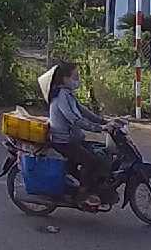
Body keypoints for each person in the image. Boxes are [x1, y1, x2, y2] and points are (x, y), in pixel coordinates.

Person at [44, 61, 111, 209]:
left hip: (72, 139)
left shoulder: (68, 94)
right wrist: (99, 128)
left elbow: (83, 111)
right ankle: (82, 194)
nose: (77, 80)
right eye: (75, 76)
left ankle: (89, 187)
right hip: (63, 142)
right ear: (64, 78)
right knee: (91, 161)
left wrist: (105, 121)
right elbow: (74, 119)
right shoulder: (61, 96)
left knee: (99, 154)